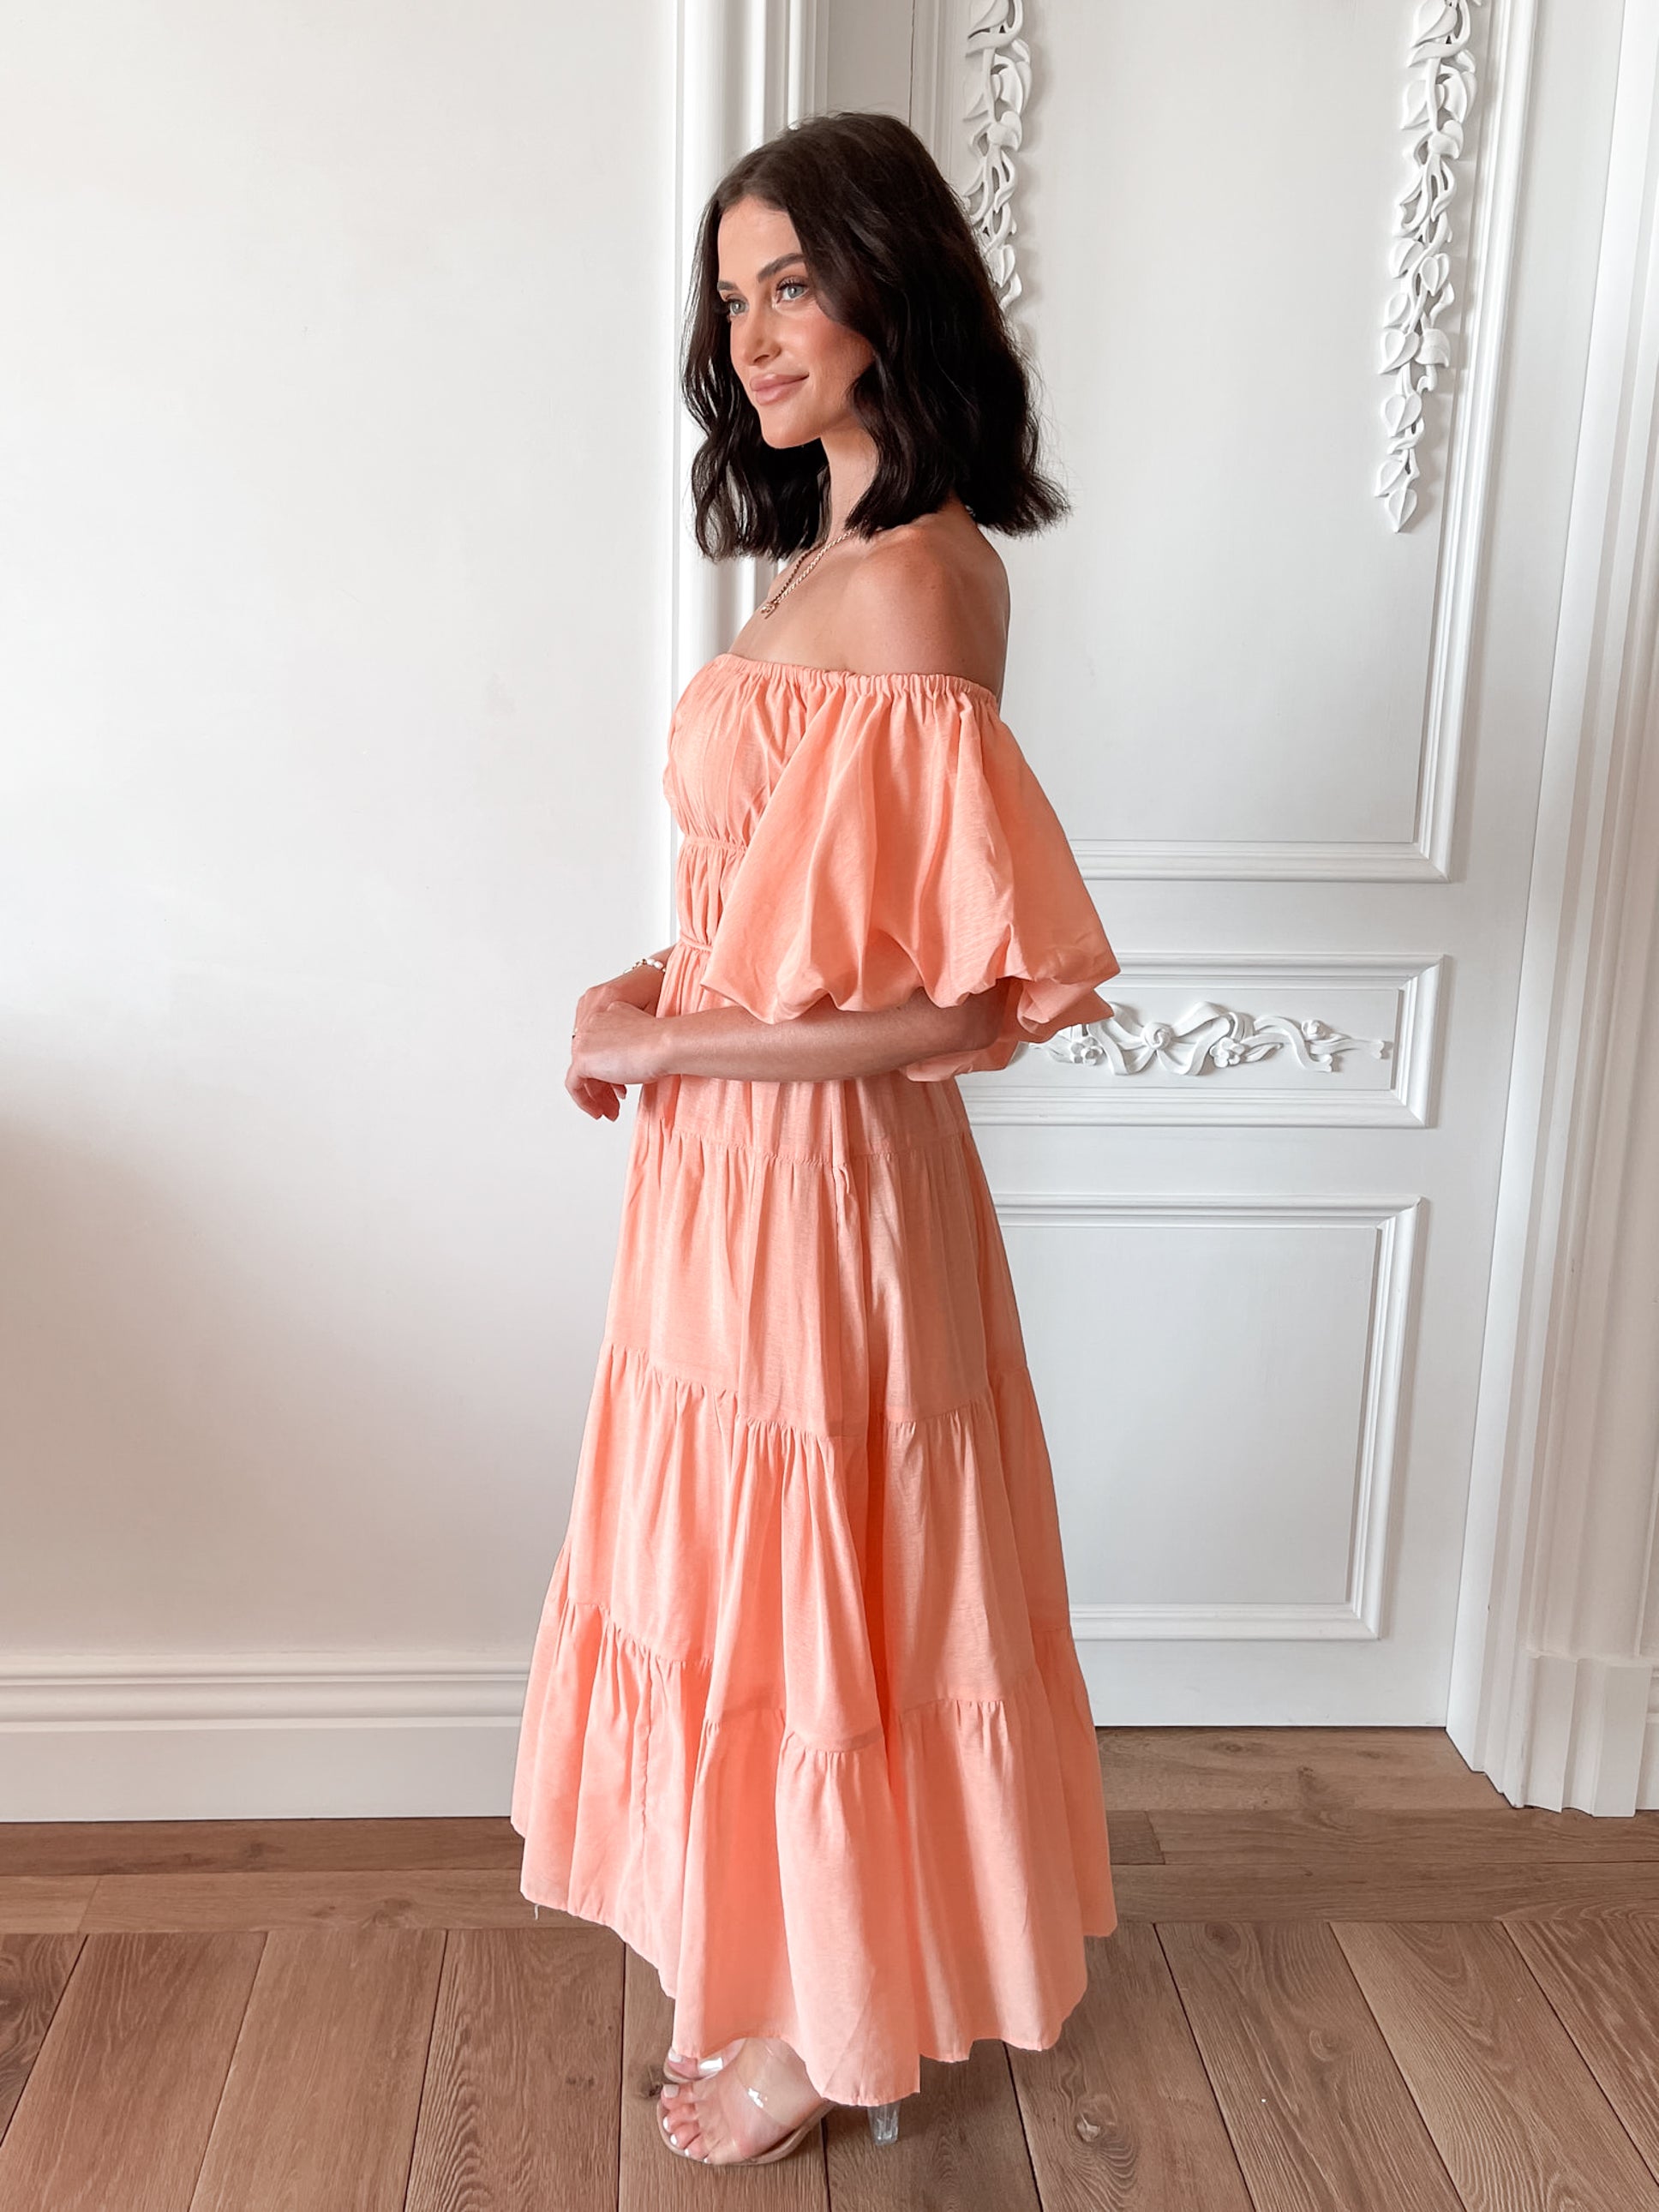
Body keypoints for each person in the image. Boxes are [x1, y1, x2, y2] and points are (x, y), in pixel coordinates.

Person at [509, 109, 1121, 2169]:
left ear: (887, 284)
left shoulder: (923, 580)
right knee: (753, 1580)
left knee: (826, 1579)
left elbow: (957, 1004)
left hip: (823, 1189)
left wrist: (675, 1053)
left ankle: (822, 2023)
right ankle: (769, 1965)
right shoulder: (818, 556)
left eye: (791, 281)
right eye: (732, 290)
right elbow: (767, 923)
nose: (753, 330)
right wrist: (641, 999)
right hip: (726, 1180)